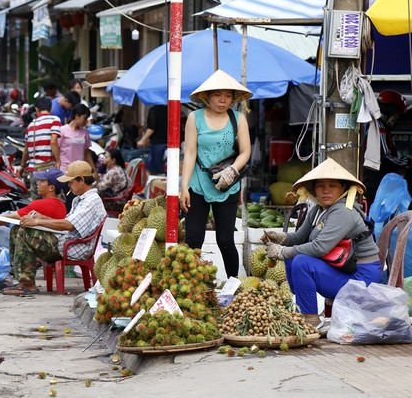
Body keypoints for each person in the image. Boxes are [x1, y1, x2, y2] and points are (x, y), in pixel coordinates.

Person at [262, 158, 380, 331]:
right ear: (314, 189)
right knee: (293, 257)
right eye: (320, 186)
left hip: (361, 278)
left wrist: (282, 251)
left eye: (332, 186)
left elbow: (319, 248)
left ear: (343, 189)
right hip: (343, 269)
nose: (325, 191)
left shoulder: (343, 212)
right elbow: (300, 237)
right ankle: (301, 309)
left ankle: (311, 319)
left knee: (301, 261)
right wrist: (280, 238)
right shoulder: (318, 210)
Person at [180, 70, 252, 279]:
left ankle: (233, 284)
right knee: (193, 238)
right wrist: (184, 187)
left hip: (227, 185)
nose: (223, 100)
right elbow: (190, 153)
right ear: (207, 96)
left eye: (228, 95)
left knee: (226, 240)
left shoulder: (238, 119)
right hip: (198, 184)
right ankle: (190, 285)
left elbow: (246, 151)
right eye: (218, 95)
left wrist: (232, 170)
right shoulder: (195, 118)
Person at [1, 161, 106, 294]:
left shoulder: (91, 201)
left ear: (81, 180)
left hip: (74, 247)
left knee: (25, 232)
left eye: (71, 182)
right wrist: (44, 219)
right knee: (17, 229)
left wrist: (38, 221)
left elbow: (68, 225)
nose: (68, 186)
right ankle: (19, 277)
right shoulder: (80, 199)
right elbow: (66, 222)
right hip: (65, 241)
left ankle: (27, 284)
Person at [0, 168, 68, 251]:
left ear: (51, 188)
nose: (38, 183)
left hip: (32, 246)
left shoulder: (41, 204)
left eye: (42, 181)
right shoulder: (62, 205)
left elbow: (11, 217)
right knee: (8, 216)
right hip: (42, 242)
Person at [19, 96, 61, 199]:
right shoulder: (54, 120)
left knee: (36, 202)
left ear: (36, 109)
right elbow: (53, 141)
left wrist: (22, 166)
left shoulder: (31, 125)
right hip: (47, 170)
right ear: (51, 109)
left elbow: (26, 150)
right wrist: (58, 160)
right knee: (51, 202)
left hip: (34, 170)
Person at [58, 103, 95, 172]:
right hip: (65, 169)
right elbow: (56, 149)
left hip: (79, 170)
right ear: (77, 116)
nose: (86, 122)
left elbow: (87, 153)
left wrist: (93, 169)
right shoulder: (62, 130)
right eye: (84, 118)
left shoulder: (85, 132)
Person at [137, 103, 168, 175]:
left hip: (157, 143)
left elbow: (152, 128)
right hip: (167, 142)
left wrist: (142, 140)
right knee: (152, 165)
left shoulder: (153, 110)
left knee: (156, 168)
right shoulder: (168, 110)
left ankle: (154, 184)